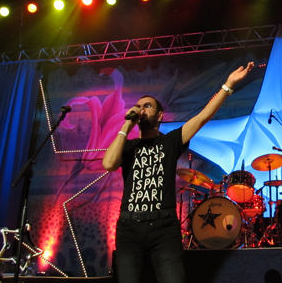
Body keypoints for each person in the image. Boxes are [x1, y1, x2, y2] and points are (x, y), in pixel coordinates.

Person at [102, 62, 254, 283]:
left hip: (163, 228)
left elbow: (202, 117)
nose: (141, 109)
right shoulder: (128, 146)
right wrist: (126, 125)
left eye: (147, 106)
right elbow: (108, 164)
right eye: (138, 106)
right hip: (129, 227)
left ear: (160, 115)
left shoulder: (170, 141)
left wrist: (228, 86)